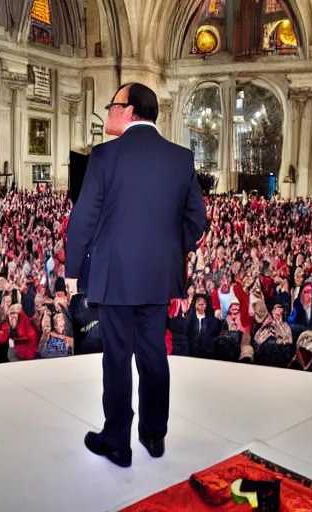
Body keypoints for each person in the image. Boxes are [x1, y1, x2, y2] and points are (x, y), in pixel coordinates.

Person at [65, 83, 206, 468]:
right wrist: (169, 252)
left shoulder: (105, 155)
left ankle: (117, 442)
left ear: (129, 111)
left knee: (116, 358)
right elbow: (198, 220)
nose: (109, 110)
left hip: (115, 276)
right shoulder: (180, 158)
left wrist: (73, 269)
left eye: (113, 105)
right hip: (159, 278)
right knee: (153, 354)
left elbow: (83, 219)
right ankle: (154, 434)